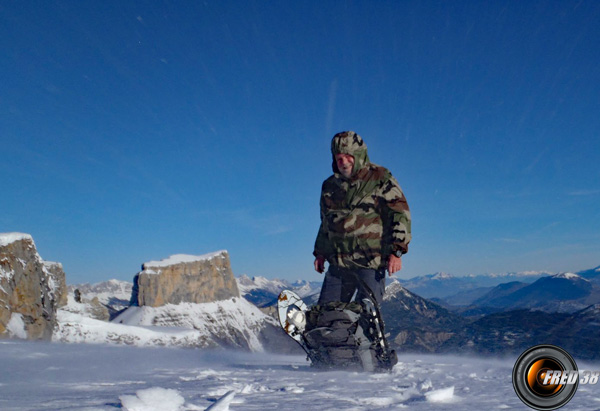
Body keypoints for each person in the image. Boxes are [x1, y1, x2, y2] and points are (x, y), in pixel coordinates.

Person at [313, 131, 411, 307]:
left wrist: (397, 251)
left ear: (358, 154)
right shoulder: (329, 186)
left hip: (370, 263)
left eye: (348, 156)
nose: (343, 162)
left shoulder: (380, 177)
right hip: (339, 265)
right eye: (339, 158)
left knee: (366, 318)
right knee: (326, 316)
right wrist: (320, 253)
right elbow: (326, 223)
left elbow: (400, 212)